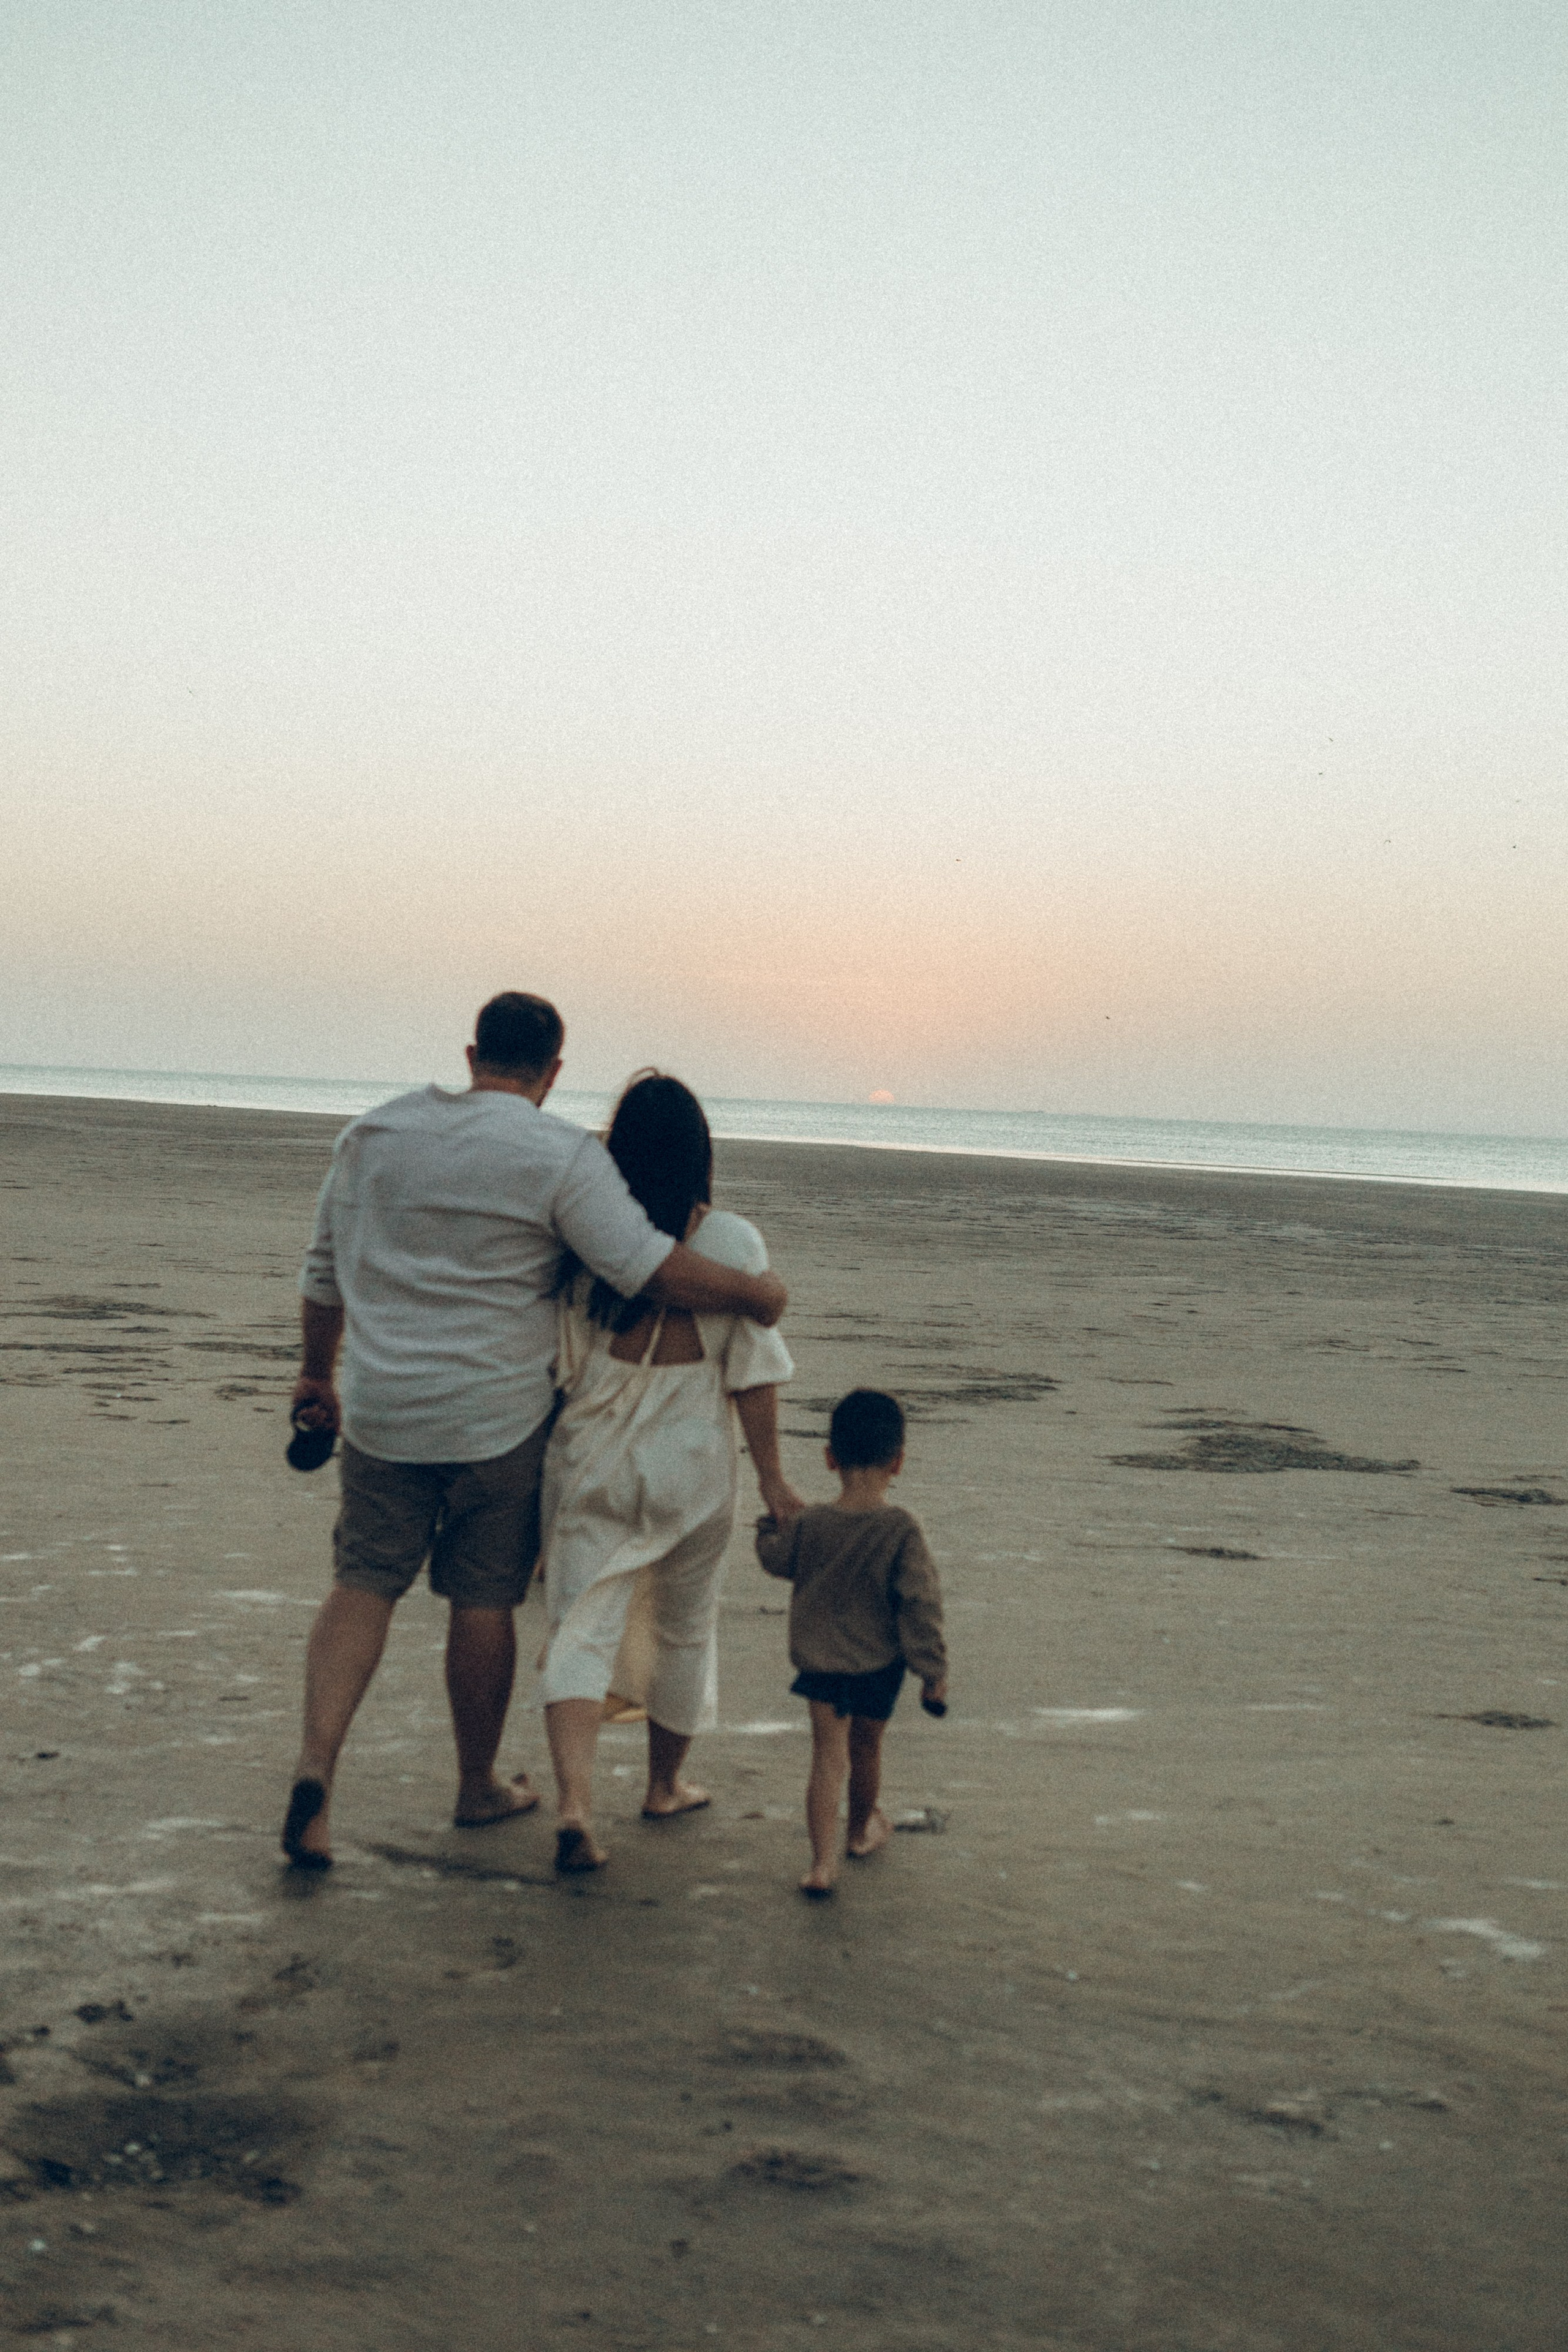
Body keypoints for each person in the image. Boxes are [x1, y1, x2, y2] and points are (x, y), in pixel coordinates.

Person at [280, 997, 787, 1870]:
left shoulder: (371, 1135)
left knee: (363, 1582)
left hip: (383, 1409)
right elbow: (644, 1262)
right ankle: (477, 1785)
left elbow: (324, 1275)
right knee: (481, 1602)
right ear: (553, 1071)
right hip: (496, 1421)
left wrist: (317, 1374)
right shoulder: (558, 1155)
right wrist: (753, 1295)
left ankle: (316, 1772)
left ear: (473, 1052)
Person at [537, 1072, 805, 1873]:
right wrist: (774, 1482)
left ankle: (577, 1804)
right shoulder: (733, 1244)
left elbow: (551, 1363)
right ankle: (664, 1785)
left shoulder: (583, 1235)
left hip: (590, 1452)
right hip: (692, 1460)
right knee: (687, 1630)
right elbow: (753, 1375)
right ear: (701, 1152)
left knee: (579, 1629)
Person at [755, 1389, 948, 1898]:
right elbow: (919, 1603)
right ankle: (860, 1832)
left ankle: (821, 1864)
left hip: (820, 1663)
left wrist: (766, 1528)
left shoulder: (812, 1522)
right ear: (899, 1462)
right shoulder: (901, 1528)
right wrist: (933, 1672)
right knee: (867, 1749)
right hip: (879, 1665)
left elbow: (777, 1561)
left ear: (830, 1458)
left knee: (827, 1758)